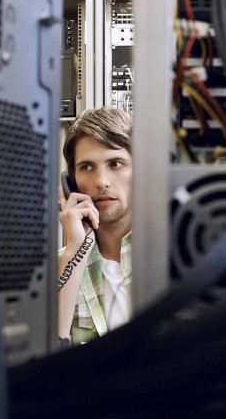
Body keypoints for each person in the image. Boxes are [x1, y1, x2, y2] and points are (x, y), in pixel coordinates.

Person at [57, 107, 133, 348]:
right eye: (87, 167)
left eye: (116, 163)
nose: (101, 181)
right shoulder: (59, 268)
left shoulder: (170, 257)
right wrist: (75, 252)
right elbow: (45, 354)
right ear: (71, 184)